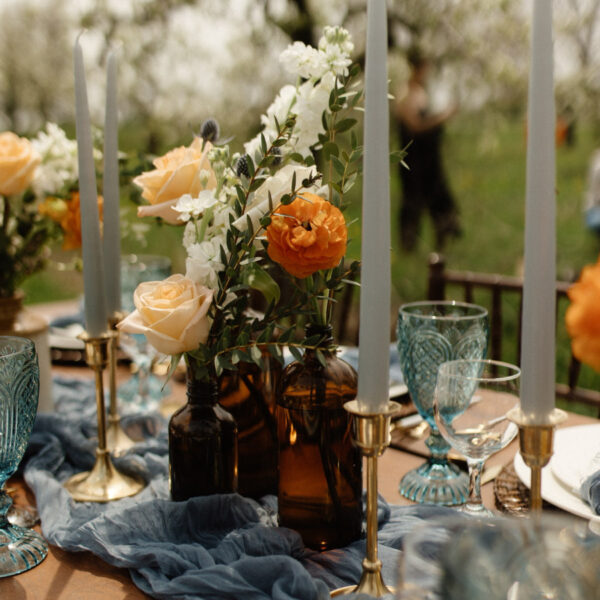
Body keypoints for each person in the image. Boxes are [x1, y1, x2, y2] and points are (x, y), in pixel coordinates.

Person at [394, 47, 462, 251]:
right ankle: (409, 244)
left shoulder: (421, 92)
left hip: (430, 159)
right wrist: (444, 116)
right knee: (412, 202)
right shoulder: (406, 93)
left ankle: (442, 238)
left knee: (438, 197)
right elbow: (415, 126)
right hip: (414, 160)